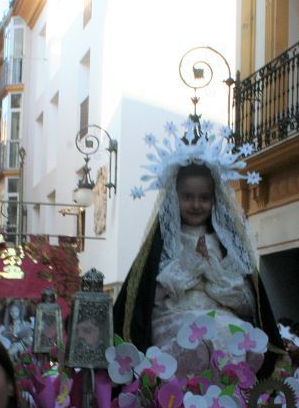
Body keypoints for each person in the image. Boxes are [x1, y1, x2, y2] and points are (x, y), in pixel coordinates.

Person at [113, 124, 283, 380]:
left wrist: (214, 273)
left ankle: (226, 403)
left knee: (238, 335)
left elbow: (248, 304)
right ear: (174, 198)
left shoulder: (225, 243)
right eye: (187, 197)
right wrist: (190, 266)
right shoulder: (165, 243)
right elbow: (150, 297)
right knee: (202, 334)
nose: (196, 204)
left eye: (204, 197)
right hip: (174, 319)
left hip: (222, 318)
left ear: (214, 199)